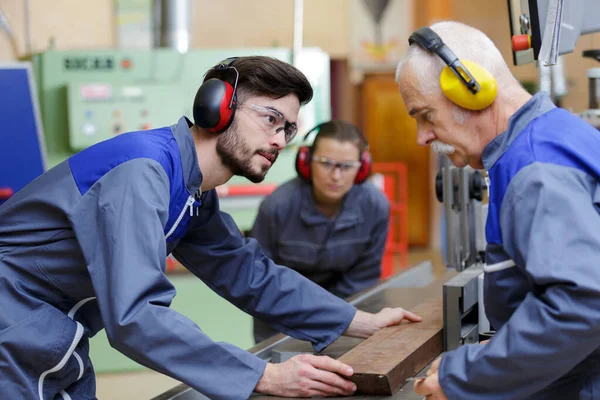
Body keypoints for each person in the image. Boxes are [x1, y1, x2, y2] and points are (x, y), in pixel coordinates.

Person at [0, 56, 422, 400]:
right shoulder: (142, 172)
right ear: (217, 105)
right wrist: (263, 376)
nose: (279, 140)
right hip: (13, 329)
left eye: (288, 129)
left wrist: (356, 320)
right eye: (271, 119)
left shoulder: (191, 192)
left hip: (53, 339)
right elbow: (136, 317)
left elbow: (249, 273)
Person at [395, 21, 600, 400]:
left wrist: (465, 378)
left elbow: (581, 303)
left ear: (472, 88)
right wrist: (497, 354)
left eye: (425, 115)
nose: (422, 136)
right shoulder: (554, 136)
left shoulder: (535, 166)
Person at [250, 120, 391, 344]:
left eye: (346, 166)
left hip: (347, 317)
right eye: (326, 163)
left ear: (362, 168)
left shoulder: (375, 207)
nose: (336, 176)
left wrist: (333, 320)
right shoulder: (277, 207)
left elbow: (363, 280)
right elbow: (260, 281)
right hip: (279, 322)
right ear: (306, 162)